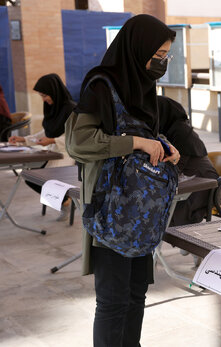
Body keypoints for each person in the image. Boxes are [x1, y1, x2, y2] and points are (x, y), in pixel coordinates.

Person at [65, 14, 179, 347]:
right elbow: (78, 142)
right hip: (112, 208)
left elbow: (139, 131)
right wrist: (138, 143)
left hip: (141, 211)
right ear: (136, 48)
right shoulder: (101, 84)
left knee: (136, 294)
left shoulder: (141, 85)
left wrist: (163, 146)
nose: (161, 62)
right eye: (157, 55)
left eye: (165, 55)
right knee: (113, 300)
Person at [9, 73, 76, 220]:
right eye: (41, 96)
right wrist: (23, 139)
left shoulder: (71, 109)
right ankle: (65, 202)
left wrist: (51, 141)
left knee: (48, 181)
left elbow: (76, 138)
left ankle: (65, 202)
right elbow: (46, 132)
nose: (44, 99)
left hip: (67, 153)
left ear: (54, 92)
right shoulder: (53, 108)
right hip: (52, 152)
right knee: (30, 177)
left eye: (45, 95)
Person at [157, 95, 219, 225]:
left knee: (162, 215)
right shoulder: (174, 128)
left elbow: (174, 166)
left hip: (203, 187)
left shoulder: (180, 132)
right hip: (192, 181)